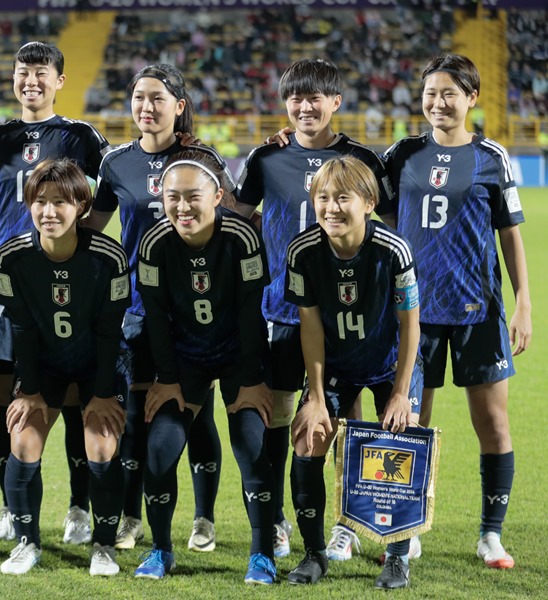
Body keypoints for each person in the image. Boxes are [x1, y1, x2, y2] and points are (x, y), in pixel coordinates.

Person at [239, 58, 396, 561]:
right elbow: (236, 218)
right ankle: (280, 521)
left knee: (343, 422)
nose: (305, 108)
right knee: (283, 421)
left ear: (336, 102)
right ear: (285, 104)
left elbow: (390, 230)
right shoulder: (266, 158)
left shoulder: (362, 159)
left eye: (315, 98)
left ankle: (345, 525)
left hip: (349, 318)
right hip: (284, 312)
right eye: (296, 99)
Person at [383, 53, 530, 570]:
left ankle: (491, 535)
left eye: (449, 93)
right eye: (430, 93)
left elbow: (510, 234)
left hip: (478, 310)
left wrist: (524, 304)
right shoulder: (400, 154)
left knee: (492, 423)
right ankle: (409, 527)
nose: (438, 102)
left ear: (471, 97)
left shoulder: (492, 156)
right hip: (412, 314)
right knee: (410, 423)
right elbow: (370, 215)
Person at [83, 63, 231, 553]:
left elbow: (229, 223)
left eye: (158, 99)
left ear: (179, 106)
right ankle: (130, 517)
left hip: (193, 309)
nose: (146, 107)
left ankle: (204, 518)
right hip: (135, 309)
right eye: (139, 98)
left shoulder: (202, 160)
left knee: (196, 412)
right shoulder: (115, 163)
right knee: (134, 414)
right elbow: (93, 230)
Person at [0, 41, 109, 545]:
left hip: (65, 285)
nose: (31, 81)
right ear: (13, 78)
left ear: (59, 81)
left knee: (73, 399)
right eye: (23, 72)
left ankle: (77, 507)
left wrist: (80, 240)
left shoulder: (77, 136)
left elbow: (109, 184)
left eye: (41, 73)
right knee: (10, 400)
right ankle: (12, 507)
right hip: (8, 285)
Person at [134, 151, 277, 584]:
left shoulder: (242, 238)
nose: (182, 207)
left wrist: (252, 380)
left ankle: (262, 555)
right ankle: (161, 551)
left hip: (238, 357)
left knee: (253, 449)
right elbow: (156, 317)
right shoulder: (154, 244)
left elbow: (253, 312)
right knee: (159, 451)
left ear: (218, 196)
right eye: (173, 197)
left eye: (193, 196)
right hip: (185, 360)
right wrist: (168, 378)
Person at [284, 155, 423, 589]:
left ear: (367, 202)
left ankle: (397, 558)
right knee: (308, 440)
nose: (330, 207)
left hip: (388, 365)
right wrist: (317, 398)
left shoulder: (393, 250)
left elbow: (410, 324)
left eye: (342, 198)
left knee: (401, 441)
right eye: (322, 198)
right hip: (337, 366)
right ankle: (313, 555)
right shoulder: (303, 251)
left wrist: (401, 394)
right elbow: (310, 327)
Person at [0, 159, 129, 576]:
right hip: (45, 366)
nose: (48, 211)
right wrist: (30, 390)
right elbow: (22, 327)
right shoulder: (11, 257)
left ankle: (103, 546)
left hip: (97, 366)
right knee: (22, 440)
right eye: (40, 201)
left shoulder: (109, 257)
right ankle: (27, 542)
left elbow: (109, 332)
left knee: (102, 446)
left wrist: (103, 392)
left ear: (82, 207)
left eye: (60, 202)